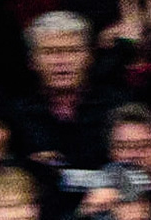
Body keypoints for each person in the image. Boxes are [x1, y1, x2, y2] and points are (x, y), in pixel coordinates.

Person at [12, 10, 114, 170]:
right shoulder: (16, 113)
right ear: (32, 61)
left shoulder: (117, 107)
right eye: (49, 52)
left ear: (90, 57)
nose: (61, 61)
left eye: (73, 51)